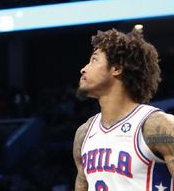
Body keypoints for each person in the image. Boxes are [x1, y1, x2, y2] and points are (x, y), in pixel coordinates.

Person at [73, 27, 174, 190]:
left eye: (94, 60)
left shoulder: (157, 127)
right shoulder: (83, 134)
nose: (83, 68)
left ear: (116, 69)